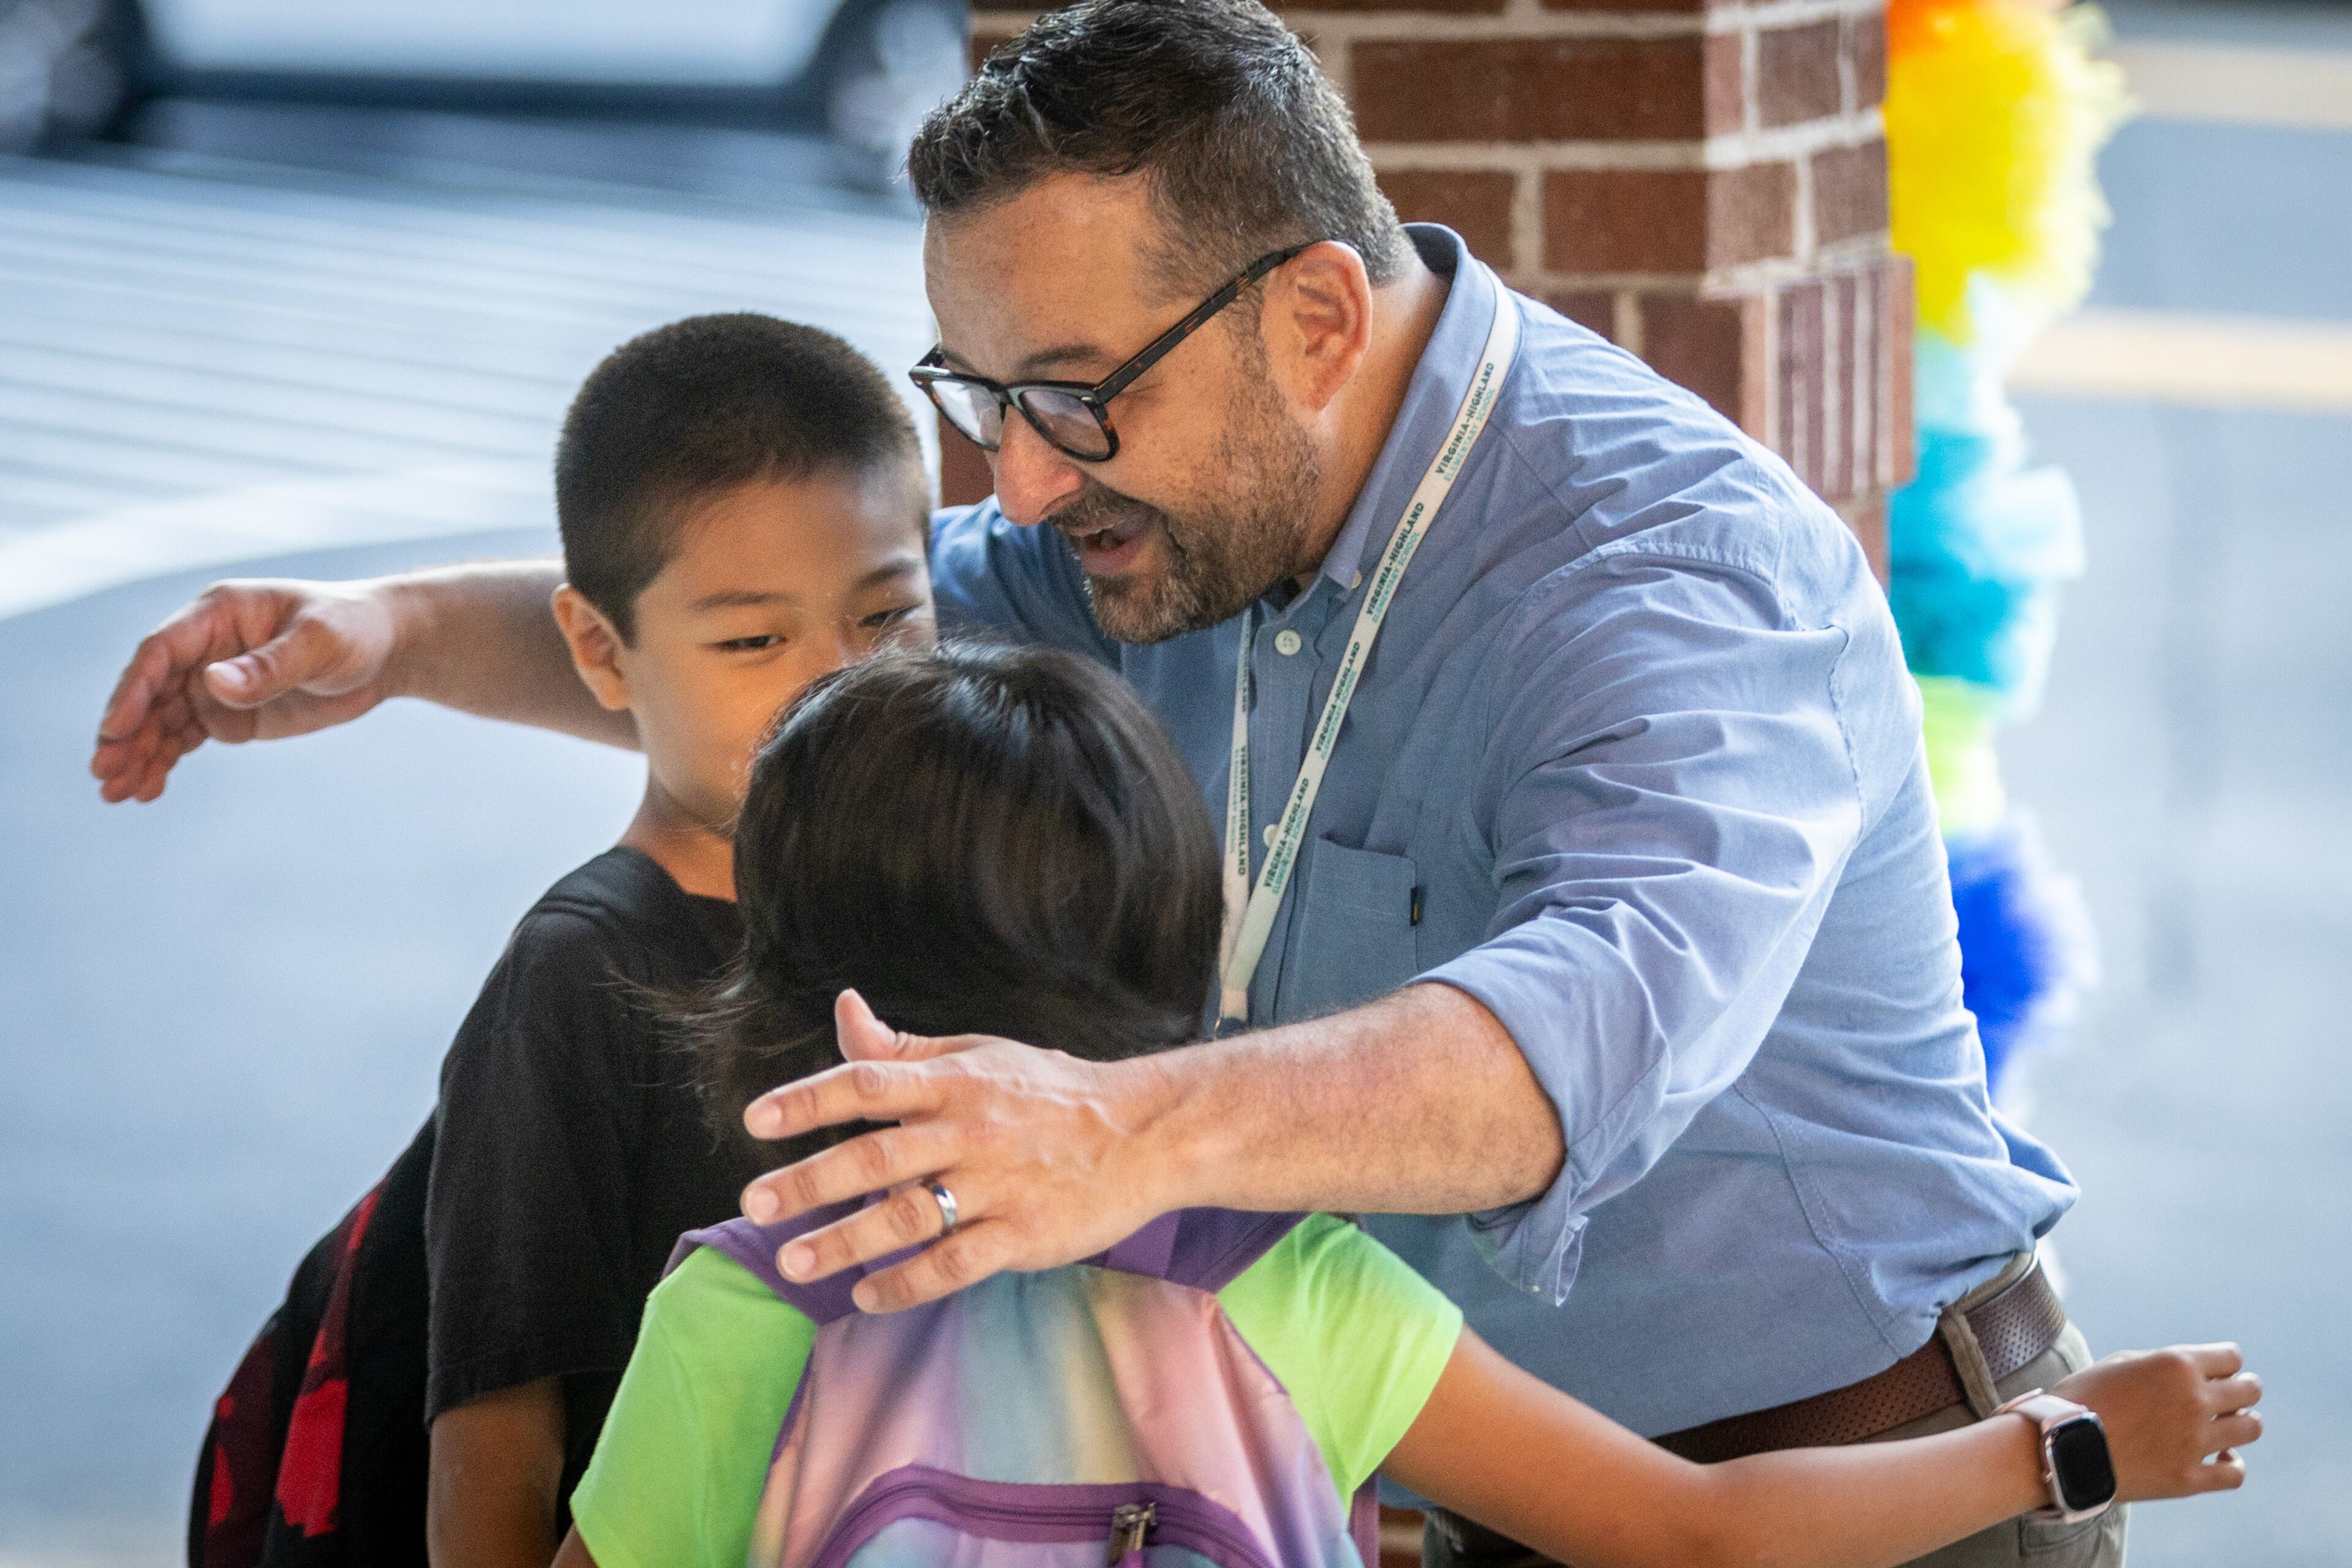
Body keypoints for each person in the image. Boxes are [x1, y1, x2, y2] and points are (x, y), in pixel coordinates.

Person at [92, 5, 2135, 1564]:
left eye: (1072, 398)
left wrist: (1115, 1133)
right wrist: (395, 640)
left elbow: (1560, 1048)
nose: (1024, 485)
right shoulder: (1155, 523)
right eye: (981, 401)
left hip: (1866, 1477)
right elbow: (810, 655)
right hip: (1479, 1484)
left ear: (1319, 320)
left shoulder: (1668, 578)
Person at [549, 643, 2257, 1568]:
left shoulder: (743, 1309)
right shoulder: (1290, 1291)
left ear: (794, 989)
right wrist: (2062, 1442)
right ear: (1172, 963)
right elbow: (1702, 1534)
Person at [390, 313, 935, 1567]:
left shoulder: (960, 907)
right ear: (599, 646)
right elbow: (492, 1475)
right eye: (754, 638)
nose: (838, 681)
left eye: (889, 612)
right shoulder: (578, 982)